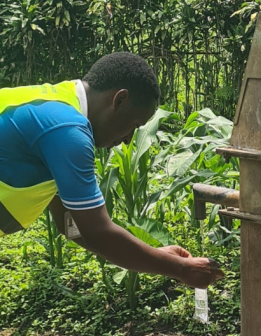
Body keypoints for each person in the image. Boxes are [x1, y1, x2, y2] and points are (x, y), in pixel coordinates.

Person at [0, 52, 223, 289]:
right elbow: (98, 232)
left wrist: (156, 255)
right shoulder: (67, 131)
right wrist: (182, 269)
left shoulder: (57, 109)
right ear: (119, 100)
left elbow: (71, 225)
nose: (128, 140)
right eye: (134, 125)